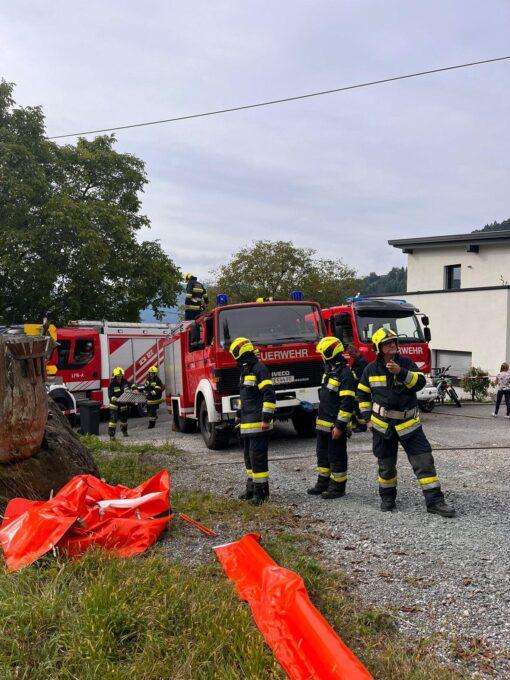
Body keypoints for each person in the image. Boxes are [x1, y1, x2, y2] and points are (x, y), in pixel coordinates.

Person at [357, 327, 455, 517]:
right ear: (379, 347)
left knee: (424, 461)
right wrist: (367, 418)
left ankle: (435, 502)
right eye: (387, 343)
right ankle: (387, 498)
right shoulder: (370, 369)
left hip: (409, 425)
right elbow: (362, 393)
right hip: (382, 426)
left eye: (394, 342)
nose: (392, 345)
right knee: (385, 465)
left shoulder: (407, 363)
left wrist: (401, 372)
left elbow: (419, 383)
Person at [230, 336, 276, 506]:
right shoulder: (245, 370)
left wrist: (266, 419)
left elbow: (269, 395)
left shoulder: (260, 369)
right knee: (249, 459)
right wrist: (238, 415)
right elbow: (244, 397)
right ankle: (251, 490)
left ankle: (262, 494)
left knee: (258, 459)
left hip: (258, 423)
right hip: (247, 423)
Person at [308, 336, 356, 499]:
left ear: (329, 353)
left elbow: (347, 403)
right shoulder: (330, 372)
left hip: (334, 426)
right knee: (322, 455)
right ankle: (323, 484)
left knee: (336, 456)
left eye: (323, 353)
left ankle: (337, 488)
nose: (321, 356)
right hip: (323, 424)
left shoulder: (345, 374)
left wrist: (340, 426)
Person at [347, 343, 368, 433]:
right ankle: (358, 425)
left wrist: (350, 376)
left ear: (356, 351)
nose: (350, 355)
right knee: (355, 408)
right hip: (356, 388)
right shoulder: (357, 361)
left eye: (351, 353)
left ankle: (363, 426)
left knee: (359, 409)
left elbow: (359, 376)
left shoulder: (361, 362)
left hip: (359, 388)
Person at [108, 366, 131, 439]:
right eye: (118, 376)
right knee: (113, 421)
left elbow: (131, 385)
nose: (119, 377)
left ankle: (125, 432)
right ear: (115, 376)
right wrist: (115, 398)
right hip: (114, 405)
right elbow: (110, 395)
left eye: (121, 376)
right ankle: (111, 435)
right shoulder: (112, 384)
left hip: (123, 404)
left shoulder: (125, 382)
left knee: (124, 420)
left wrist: (134, 389)